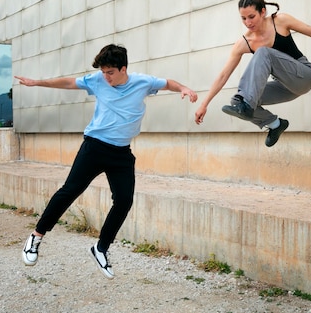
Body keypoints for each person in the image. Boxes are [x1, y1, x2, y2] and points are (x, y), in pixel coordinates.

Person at [16, 44, 197, 279]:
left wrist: (184, 88)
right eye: (103, 72)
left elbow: (167, 83)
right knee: (70, 190)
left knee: (124, 201)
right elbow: (70, 83)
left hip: (121, 153)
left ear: (123, 69)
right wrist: (37, 83)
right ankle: (36, 237)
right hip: (94, 147)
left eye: (110, 72)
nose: (106, 77)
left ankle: (100, 248)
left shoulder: (143, 82)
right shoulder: (97, 80)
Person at [194, 0, 311, 146]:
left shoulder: (280, 21)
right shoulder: (243, 43)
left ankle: (248, 106)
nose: (248, 23)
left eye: (252, 16)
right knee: (237, 102)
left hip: (303, 74)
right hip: (286, 88)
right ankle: (275, 124)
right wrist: (204, 104)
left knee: (263, 53)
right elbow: (224, 74)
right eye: (243, 18)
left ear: (263, 12)